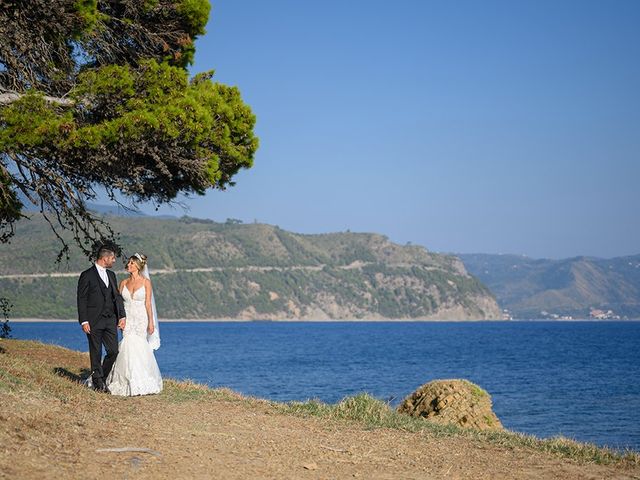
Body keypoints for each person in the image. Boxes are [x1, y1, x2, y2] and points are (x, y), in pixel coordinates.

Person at [106, 253, 162, 396]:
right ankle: (124, 380)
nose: (128, 265)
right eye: (129, 263)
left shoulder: (146, 283)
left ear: (138, 266)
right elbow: (118, 304)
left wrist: (151, 323)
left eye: (132, 263)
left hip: (141, 319)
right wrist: (119, 318)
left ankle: (139, 381)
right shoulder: (123, 283)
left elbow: (148, 304)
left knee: (139, 347)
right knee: (126, 345)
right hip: (127, 319)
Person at [77, 246, 127, 393]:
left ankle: (100, 377)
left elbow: (117, 297)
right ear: (105, 258)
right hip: (93, 320)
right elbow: (81, 299)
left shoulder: (111, 275)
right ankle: (99, 384)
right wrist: (84, 320)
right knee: (96, 352)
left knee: (113, 351)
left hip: (110, 319)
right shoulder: (86, 275)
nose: (113, 261)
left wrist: (122, 316)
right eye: (112, 258)